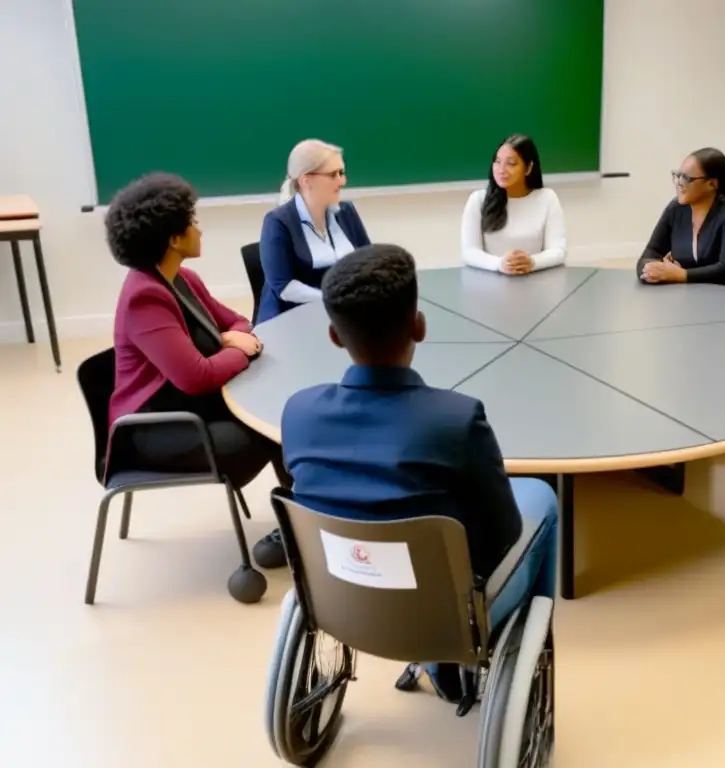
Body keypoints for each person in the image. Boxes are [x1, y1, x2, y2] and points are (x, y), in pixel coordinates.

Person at [280, 242, 558, 701]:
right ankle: (522, 645)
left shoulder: (298, 411)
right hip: (443, 612)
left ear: (334, 334)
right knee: (541, 499)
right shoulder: (456, 419)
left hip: (337, 593)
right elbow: (502, 533)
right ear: (420, 325)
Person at [106, 173, 289, 565]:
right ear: (173, 238)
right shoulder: (145, 297)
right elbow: (196, 376)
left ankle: (299, 516)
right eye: (192, 221)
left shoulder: (181, 278)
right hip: (156, 427)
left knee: (281, 413)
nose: (199, 229)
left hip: (194, 406)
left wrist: (231, 339)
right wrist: (245, 349)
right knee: (276, 428)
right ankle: (299, 525)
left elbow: (238, 321)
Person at [256, 139, 371, 323]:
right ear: (306, 180)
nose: (342, 181)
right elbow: (284, 287)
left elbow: (368, 260)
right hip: (292, 317)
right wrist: (331, 300)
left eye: (342, 173)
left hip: (343, 312)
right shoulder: (278, 222)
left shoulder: (346, 211)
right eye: (333, 174)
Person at [637, 147, 725, 287]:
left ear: (711, 184)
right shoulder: (676, 209)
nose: (679, 183)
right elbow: (651, 252)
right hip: (684, 295)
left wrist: (681, 275)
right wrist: (650, 270)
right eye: (677, 175)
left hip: (721, 298)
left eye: (687, 178)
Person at [461, 134, 566, 275]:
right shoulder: (478, 199)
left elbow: (558, 250)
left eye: (511, 163)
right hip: (489, 283)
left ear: (528, 168)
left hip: (536, 281)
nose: (501, 169)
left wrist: (532, 262)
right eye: (497, 162)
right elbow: (469, 252)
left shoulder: (547, 198)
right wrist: (500, 264)